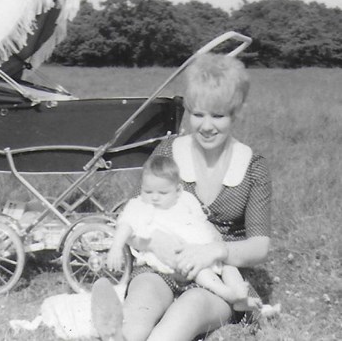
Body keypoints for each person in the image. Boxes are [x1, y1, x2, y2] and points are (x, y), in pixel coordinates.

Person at [92, 53, 272, 341]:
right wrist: (153, 242)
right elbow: (141, 215)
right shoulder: (167, 153)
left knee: (179, 322)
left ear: (236, 113)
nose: (206, 126)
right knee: (139, 311)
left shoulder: (253, 166)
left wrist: (217, 250)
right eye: (198, 114)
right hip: (160, 265)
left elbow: (260, 246)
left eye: (218, 115)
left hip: (216, 279)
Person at [107, 155, 259, 309]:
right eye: (148, 191)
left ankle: (241, 298)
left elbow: (202, 220)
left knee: (229, 266)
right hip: (176, 259)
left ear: (178, 190)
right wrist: (116, 247)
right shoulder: (141, 206)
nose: (154, 197)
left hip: (203, 250)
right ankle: (226, 293)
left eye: (162, 193)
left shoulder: (185, 199)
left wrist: (212, 237)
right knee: (201, 272)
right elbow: (125, 224)